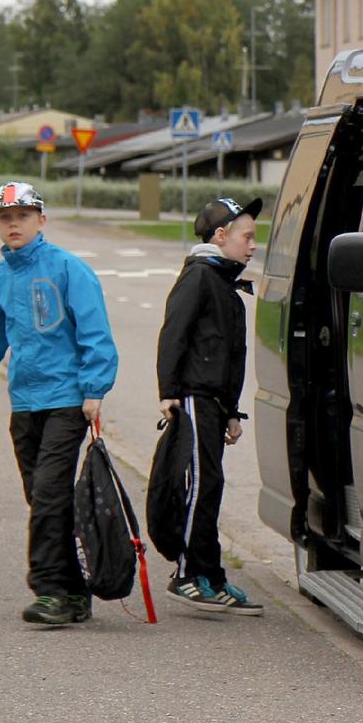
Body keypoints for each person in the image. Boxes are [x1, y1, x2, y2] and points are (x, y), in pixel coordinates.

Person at [0, 182, 118, 627]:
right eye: (5, 218)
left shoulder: (69, 269)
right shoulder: (1, 278)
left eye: (23, 217)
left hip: (67, 401)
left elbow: (95, 333)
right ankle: (74, 593)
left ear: (41, 221)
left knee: (50, 493)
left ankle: (49, 590)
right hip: (25, 404)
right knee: (43, 498)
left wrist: (94, 390)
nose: (14, 225)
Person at [156, 197, 264, 615]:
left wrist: (233, 412)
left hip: (216, 403)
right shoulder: (200, 277)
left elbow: (229, 357)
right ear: (221, 236)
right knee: (200, 487)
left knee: (212, 487)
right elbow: (173, 334)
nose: (253, 245)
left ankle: (212, 577)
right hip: (194, 398)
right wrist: (169, 391)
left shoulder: (224, 283)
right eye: (247, 237)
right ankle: (186, 574)